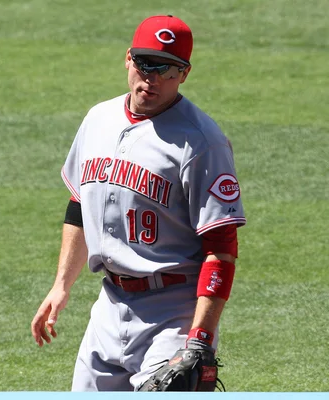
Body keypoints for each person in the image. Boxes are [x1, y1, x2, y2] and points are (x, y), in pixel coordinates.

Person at [30, 14, 246, 391]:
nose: (154, 78)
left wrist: (200, 337)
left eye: (168, 69)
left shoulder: (201, 142)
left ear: (184, 74)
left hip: (172, 311)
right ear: (128, 59)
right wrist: (61, 285)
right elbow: (80, 206)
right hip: (109, 306)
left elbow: (222, 249)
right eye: (147, 64)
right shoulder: (98, 119)